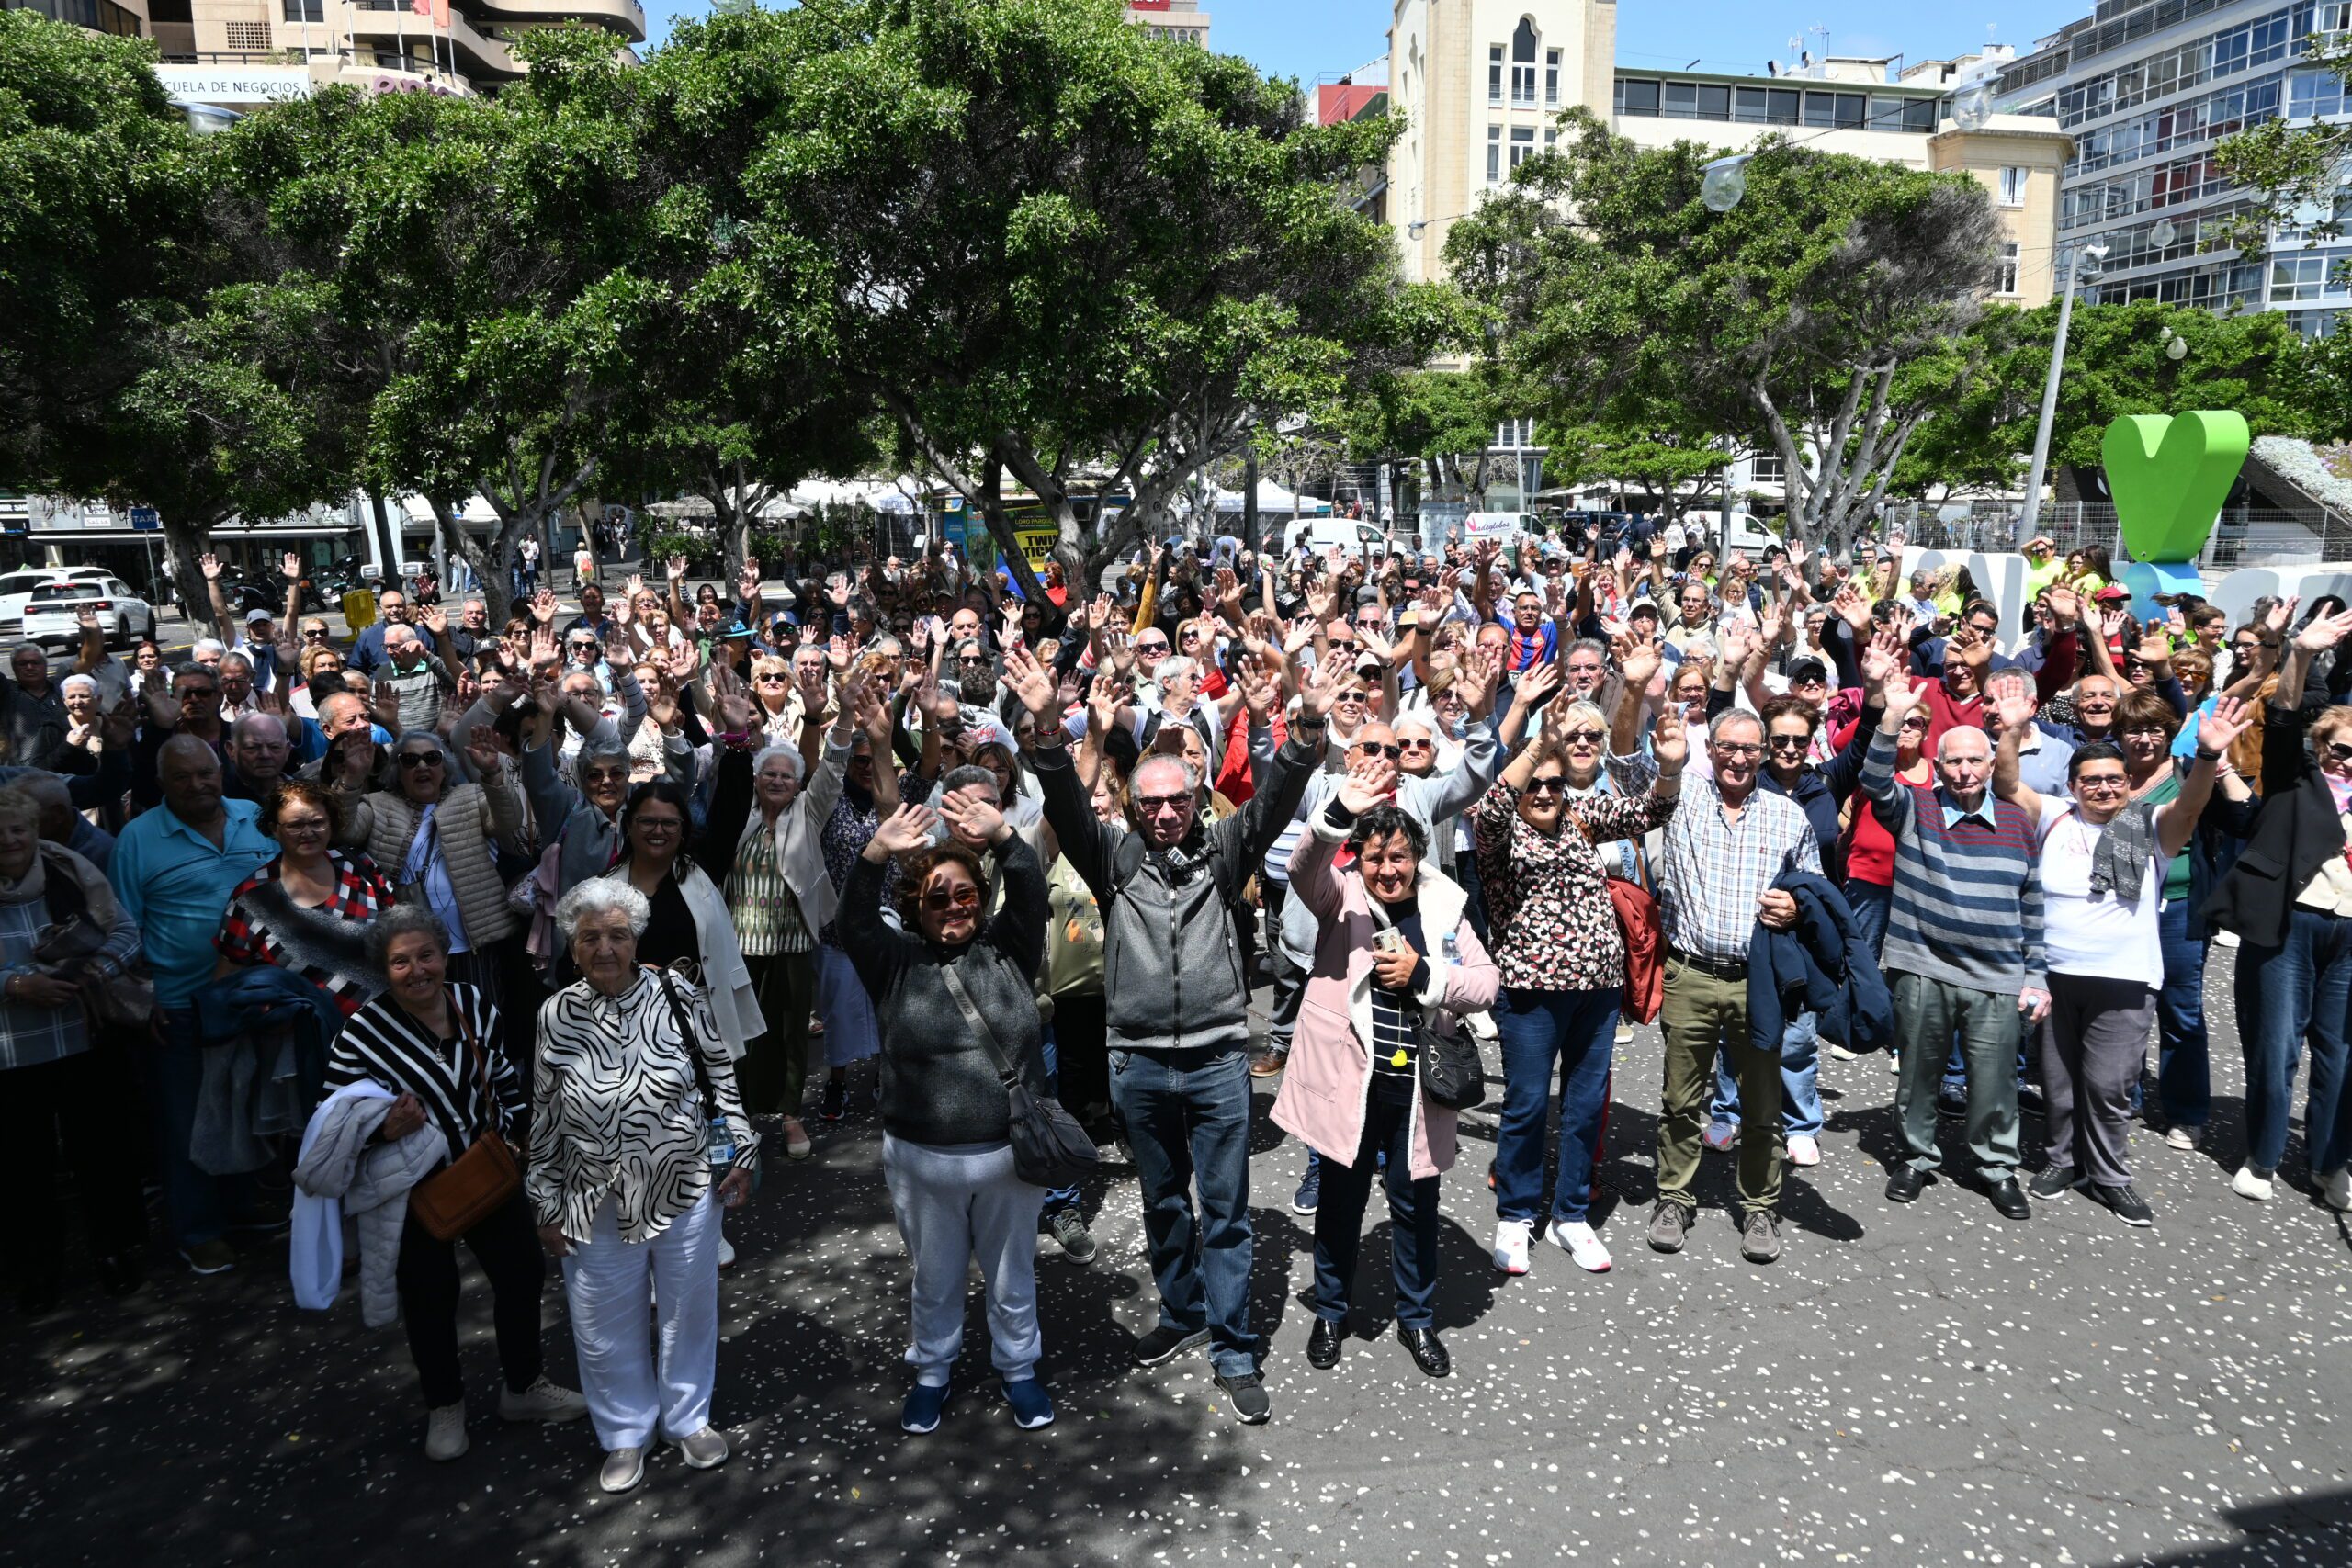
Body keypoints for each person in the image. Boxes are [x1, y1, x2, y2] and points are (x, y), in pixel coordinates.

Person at [1012, 645, 1327, 1426]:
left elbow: (1279, 795)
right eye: (1149, 802)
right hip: (1140, 1063)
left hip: (1220, 1057)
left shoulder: (1223, 853)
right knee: (1163, 1203)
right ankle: (1183, 1311)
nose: (1161, 813)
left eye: (1175, 801)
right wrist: (1051, 726)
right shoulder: (1115, 861)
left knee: (1223, 1209)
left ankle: (1234, 1346)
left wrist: (1300, 721)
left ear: (1195, 800)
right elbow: (1063, 801)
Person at [326, 908, 586, 1459]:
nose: (417, 970)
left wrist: (527, 1146)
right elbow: (332, 1123)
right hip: (412, 1187)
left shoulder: (471, 1003)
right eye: (401, 961)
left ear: (444, 956)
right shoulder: (361, 1033)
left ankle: (523, 1387)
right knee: (429, 1297)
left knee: (522, 1272)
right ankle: (445, 1406)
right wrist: (379, 1129)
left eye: (427, 955)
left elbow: (505, 1079)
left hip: (486, 1167)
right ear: (383, 968)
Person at [530, 879, 754, 1495]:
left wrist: (740, 1151)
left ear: (636, 941)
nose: (606, 948)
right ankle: (625, 1431)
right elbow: (545, 1113)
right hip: (592, 1198)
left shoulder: (676, 992)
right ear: (573, 947)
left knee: (688, 1308)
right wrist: (544, 1201)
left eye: (618, 935)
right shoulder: (555, 1015)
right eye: (591, 937)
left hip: (683, 1184)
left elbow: (720, 1077)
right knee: (602, 1322)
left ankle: (687, 1418)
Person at [841, 795, 1056, 1433]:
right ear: (916, 907)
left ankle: (1019, 1370)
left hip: (1008, 1153)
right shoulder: (894, 961)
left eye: (966, 895)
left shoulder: (1006, 948)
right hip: (922, 1159)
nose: (956, 908)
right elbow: (852, 920)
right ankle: (932, 1371)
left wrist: (1006, 839)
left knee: (1012, 1275)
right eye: (939, 898)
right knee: (934, 1280)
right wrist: (876, 853)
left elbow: (1032, 893)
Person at [1277, 773, 1501, 1377]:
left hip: (1417, 1089)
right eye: (1375, 857)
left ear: (1417, 857)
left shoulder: (1444, 904)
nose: (1387, 870)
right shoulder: (1340, 894)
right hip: (1350, 1084)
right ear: (1360, 857)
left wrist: (1426, 974)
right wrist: (1340, 810)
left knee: (1414, 1204)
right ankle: (1330, 1311)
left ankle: (1418, 1319)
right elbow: (1303, 868)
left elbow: (1486, 982)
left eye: (1398, 856)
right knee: (1340, 1204)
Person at [1994, 692, 2244, 1228]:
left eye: (2113, 780)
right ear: (2074, 786)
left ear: (2128, 784)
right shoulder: (2055, 816)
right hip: (2056, 976)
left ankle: (2108, 1176)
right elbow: (2009, 785)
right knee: (2058, 1085)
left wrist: (2205, 758)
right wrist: (2011, 731)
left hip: (2125, 980)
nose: (2103, 788)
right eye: (2092, 780)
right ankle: (2062, 1161)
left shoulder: (2151, 826)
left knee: (2108, 1086)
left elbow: (2194, 805)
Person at [1474, 694, 1682, 1277]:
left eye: (1555, 786)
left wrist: (1670, 767)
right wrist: (1541, 743)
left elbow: (1651, 814)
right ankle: (1515, 1216)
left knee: (1587, 1106)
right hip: (1533, 994)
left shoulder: (1580, 820)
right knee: (1528, 1106)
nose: (1544, 794)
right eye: (1534, 785)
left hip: (1598, 992)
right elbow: (1489, 809)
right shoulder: (1501, 836)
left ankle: (1571, 1215)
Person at [1612, 705, 1821, 1265]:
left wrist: (1796, 907)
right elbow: (1628, 772)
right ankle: (1674, 1197)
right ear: (1712, 750)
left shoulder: (1787, 816)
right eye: (1728, 747)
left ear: (1764, 755)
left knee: (1761, 1102)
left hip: (1758, 983)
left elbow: (1816, 893)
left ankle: (1758, 1206)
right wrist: (1635, 696)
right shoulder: (1680, 801)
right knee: (1680, 1101)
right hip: (1692, 975)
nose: (1738, 758)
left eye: (1750, 749)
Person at [1865, 670, 2049, 1222]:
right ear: (1938, 767)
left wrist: (2035, 976)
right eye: (1954, 762)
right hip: (1923, 967)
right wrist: (1891, 718)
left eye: (1975, 761)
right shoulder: (1915, 809)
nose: (1965, 771)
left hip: (1996, 975)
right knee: (1918, 1075)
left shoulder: (2018, 821)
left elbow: (2033, 906)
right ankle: (1917, 1156)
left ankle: (1996, 1166)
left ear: (1991, 766)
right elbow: (1875, 783)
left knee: (1995, 1083)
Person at [109, 734, 280, 1274]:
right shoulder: (137, 839)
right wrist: (143, 998)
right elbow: (119, 928)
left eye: (205, 773)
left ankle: (242, 1209)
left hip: (257, 994)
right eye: (181, 777)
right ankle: (198, 1229)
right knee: (189, 1120)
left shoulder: (254, 815)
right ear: (161, 784)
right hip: (182, 1004)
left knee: (249, 1109)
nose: (197, 785)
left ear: (220, 770)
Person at [2201, 605, 2352, 1207]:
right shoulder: (2298, 777)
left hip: (2349, 934)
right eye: (2339, 747)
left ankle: (2329, 1161)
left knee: (2341, 1051)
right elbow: (2285, 714)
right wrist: (2302, 653)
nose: (2347, 758)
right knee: (2276, 1044)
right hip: (2290, 923)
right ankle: (2262, 1157)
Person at [0, 786, 143, 1311]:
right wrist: (14, 985)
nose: (10, 840)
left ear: (36, 831)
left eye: (19, 829)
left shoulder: (70, 869)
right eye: (0, 833)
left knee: (102, 1152)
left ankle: (114, 1250)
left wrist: (93, 971)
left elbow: (126, 931)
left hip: (86, 1035)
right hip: (11, 1055)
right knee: (22, 1168)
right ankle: (36, 1270)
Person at [729, 683, 865, 1159]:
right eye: (770, 773)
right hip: (737, 945)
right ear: (755, 778)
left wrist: (843, 715)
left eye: (788, 775)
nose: (779, 781)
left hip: (791, 942)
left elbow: (832, 769)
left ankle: (790, 1115)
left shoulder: (808, 812)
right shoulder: (736, 817)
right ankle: (738, 1117)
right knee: (738, 1032)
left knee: (789, 1034)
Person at [342, 730, 526, 1003]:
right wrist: (352, 778)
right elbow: (345, 831)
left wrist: (493, 774)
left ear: (444, 767)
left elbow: (509, 821)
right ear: (398, 770)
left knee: (480, 1014)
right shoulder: (378, 804)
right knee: (421, 1019)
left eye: (431, 758)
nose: (422, 766)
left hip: (471, 940)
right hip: (408, 946)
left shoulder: (470, 795)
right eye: (410, 760)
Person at [214, 779, 394, 1021]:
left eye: (317, 822)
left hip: (388, 1024)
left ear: (332, 824)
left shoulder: (359, 865)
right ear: (274, 829)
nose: (308, 833)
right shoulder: (251, 898)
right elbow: (230, 975)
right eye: (295, 825)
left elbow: (397, 931)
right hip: (311, 1039)